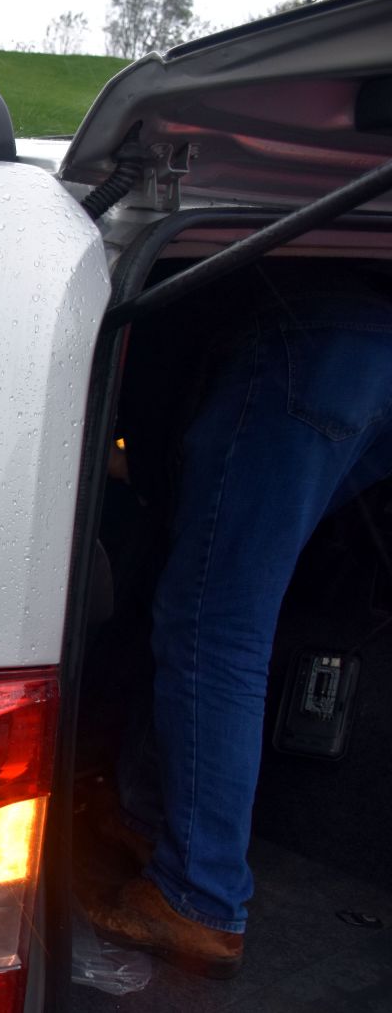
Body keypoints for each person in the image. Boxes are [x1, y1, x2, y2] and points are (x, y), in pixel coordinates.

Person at [88, 261, 392, 979]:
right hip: (370, 339)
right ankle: (149, 817)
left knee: (216, 625)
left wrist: (128, 466)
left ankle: (200, 895)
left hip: (304, 339)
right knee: (209, 591)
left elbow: (148, 408)